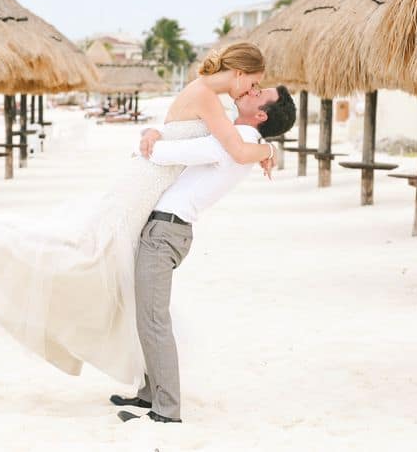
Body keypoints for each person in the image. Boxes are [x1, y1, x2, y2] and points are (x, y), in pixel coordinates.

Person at [0, 43, 279, 385]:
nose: (252, 90)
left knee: (104, 266)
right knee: (91, 257)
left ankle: (136, 376)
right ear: (240, 73)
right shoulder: (206, 96)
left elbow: (182, 134)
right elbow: (237, 149)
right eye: (253, 83)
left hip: (151, 183)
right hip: (146, 183)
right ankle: (12, 283)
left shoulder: (209, 100)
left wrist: (152, 131)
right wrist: (270, 148)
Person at [111, 85, 296, 423]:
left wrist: (150, 136)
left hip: (166, 231)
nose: (250, 90)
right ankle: (151, 392)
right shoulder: (244, 142)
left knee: (153, 319)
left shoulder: (235, 141)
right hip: (168, 229)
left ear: (262, 114)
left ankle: (166, 409)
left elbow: (167, 153)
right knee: (148, 315)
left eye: (259, 93)